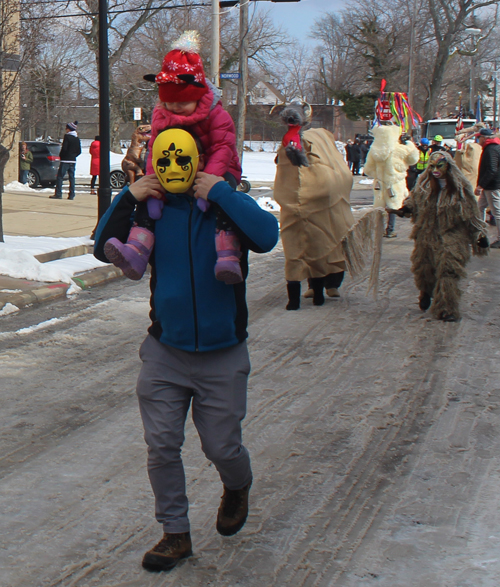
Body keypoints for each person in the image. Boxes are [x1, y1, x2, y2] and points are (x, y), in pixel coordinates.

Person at [93, 126, 279, 573]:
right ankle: (174, 533)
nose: (175, 168)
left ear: (199, 160)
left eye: (185, 159)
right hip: (165, 351)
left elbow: (268, 236)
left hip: (222, 353)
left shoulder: (225, 208)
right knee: (161, 446)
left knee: (221, 447)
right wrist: (129, 196)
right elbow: (102, 246)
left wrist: (222, 192)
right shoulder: (151, 213)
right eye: (166, 160)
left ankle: (238, 484)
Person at [104, 31, 243, 285]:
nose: (175, 109)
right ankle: (137, 250)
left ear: (198, 94)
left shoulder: (217, 115)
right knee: (147, 195)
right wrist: (152, 179)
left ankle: (228, 255)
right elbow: (156, 150)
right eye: (169, 103)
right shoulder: (161, 115)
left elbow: (223, 148)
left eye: (182, 103)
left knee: (224, 202)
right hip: (173, 167)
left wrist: (210, 183)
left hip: (218, 169)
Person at [390, 151, 489, 322]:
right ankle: (426, 291)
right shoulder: (424, 186)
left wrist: (478, 235)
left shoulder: (460, 189)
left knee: (448, 270)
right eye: (432, 166)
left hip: (453, 234)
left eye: (440, 166)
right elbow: (414, 200)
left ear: (448, 166)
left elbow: (471, 214)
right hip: (427, 233)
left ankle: (447, 308)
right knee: (425, 268)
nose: (436, 169)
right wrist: (406, 208)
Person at [363, 124, 419, 238]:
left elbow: (368, 169)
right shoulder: (400, 148)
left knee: (379, 207)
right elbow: (413, 159)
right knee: (393, 206)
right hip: (395, 183)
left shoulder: (374, 149)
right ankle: (390, 230)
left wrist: (378, 175)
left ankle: (378, 230)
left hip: (380, 183)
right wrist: (410, 144)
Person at [474, 127, 500, 248]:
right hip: (489, 185)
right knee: (480, 207)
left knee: (497, 212)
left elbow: (492, 170)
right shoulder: (492, 148)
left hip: (492, 185)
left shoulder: (491, 150)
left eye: (479, 137)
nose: (477, 139)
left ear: (484, 138)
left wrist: (481, 185)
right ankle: (480, 234)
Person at [50, 121, 81, 200]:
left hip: (65, 160)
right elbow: (79, 151)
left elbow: (64, 148)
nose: (66, 129)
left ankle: (58, 193)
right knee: (72, 178)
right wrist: (73, 155)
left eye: (66, 128)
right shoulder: (77, 138)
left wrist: (62, 156)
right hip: (73, 160)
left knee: (60, 177)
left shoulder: (67, 137)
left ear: (69, 129)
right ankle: (71, 194)